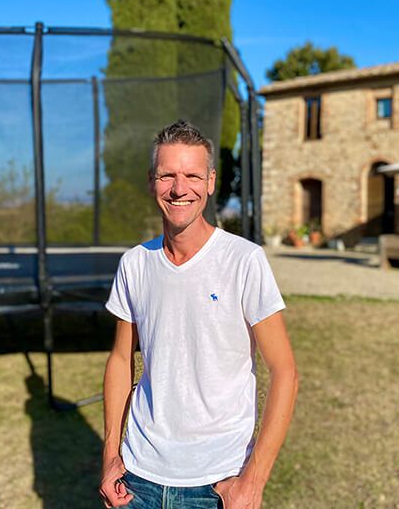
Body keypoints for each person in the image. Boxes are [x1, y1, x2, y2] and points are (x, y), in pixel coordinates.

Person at [99, 120, 298, 509]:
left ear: (210, 181)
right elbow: (121, 360)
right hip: (138, 479)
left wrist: (253, 481)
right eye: (167, 175)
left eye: (191, 175)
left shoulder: (244, 260)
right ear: (152, 181)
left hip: (218, 483)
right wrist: (110, 456)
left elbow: (285, 372)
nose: (179, 188)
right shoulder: (135, 264)